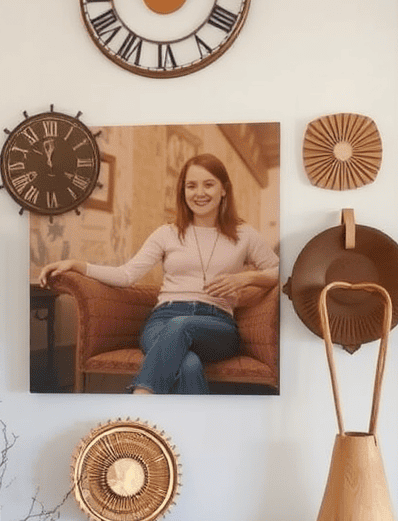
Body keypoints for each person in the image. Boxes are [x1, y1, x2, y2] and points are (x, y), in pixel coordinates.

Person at [39, 153, 279, 395]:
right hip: (163, 320)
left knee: (182, 325)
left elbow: (282, 272)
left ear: (224, 189)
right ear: (182, 191)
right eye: (191, 186)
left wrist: (246, 278)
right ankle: (198, 428)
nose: (200, 193)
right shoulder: (167, 233)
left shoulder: (244, 234)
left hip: (216, 325)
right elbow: (126, 275)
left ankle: (141, 398)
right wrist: (77, 265)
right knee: (189, 365)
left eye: (209, 184)